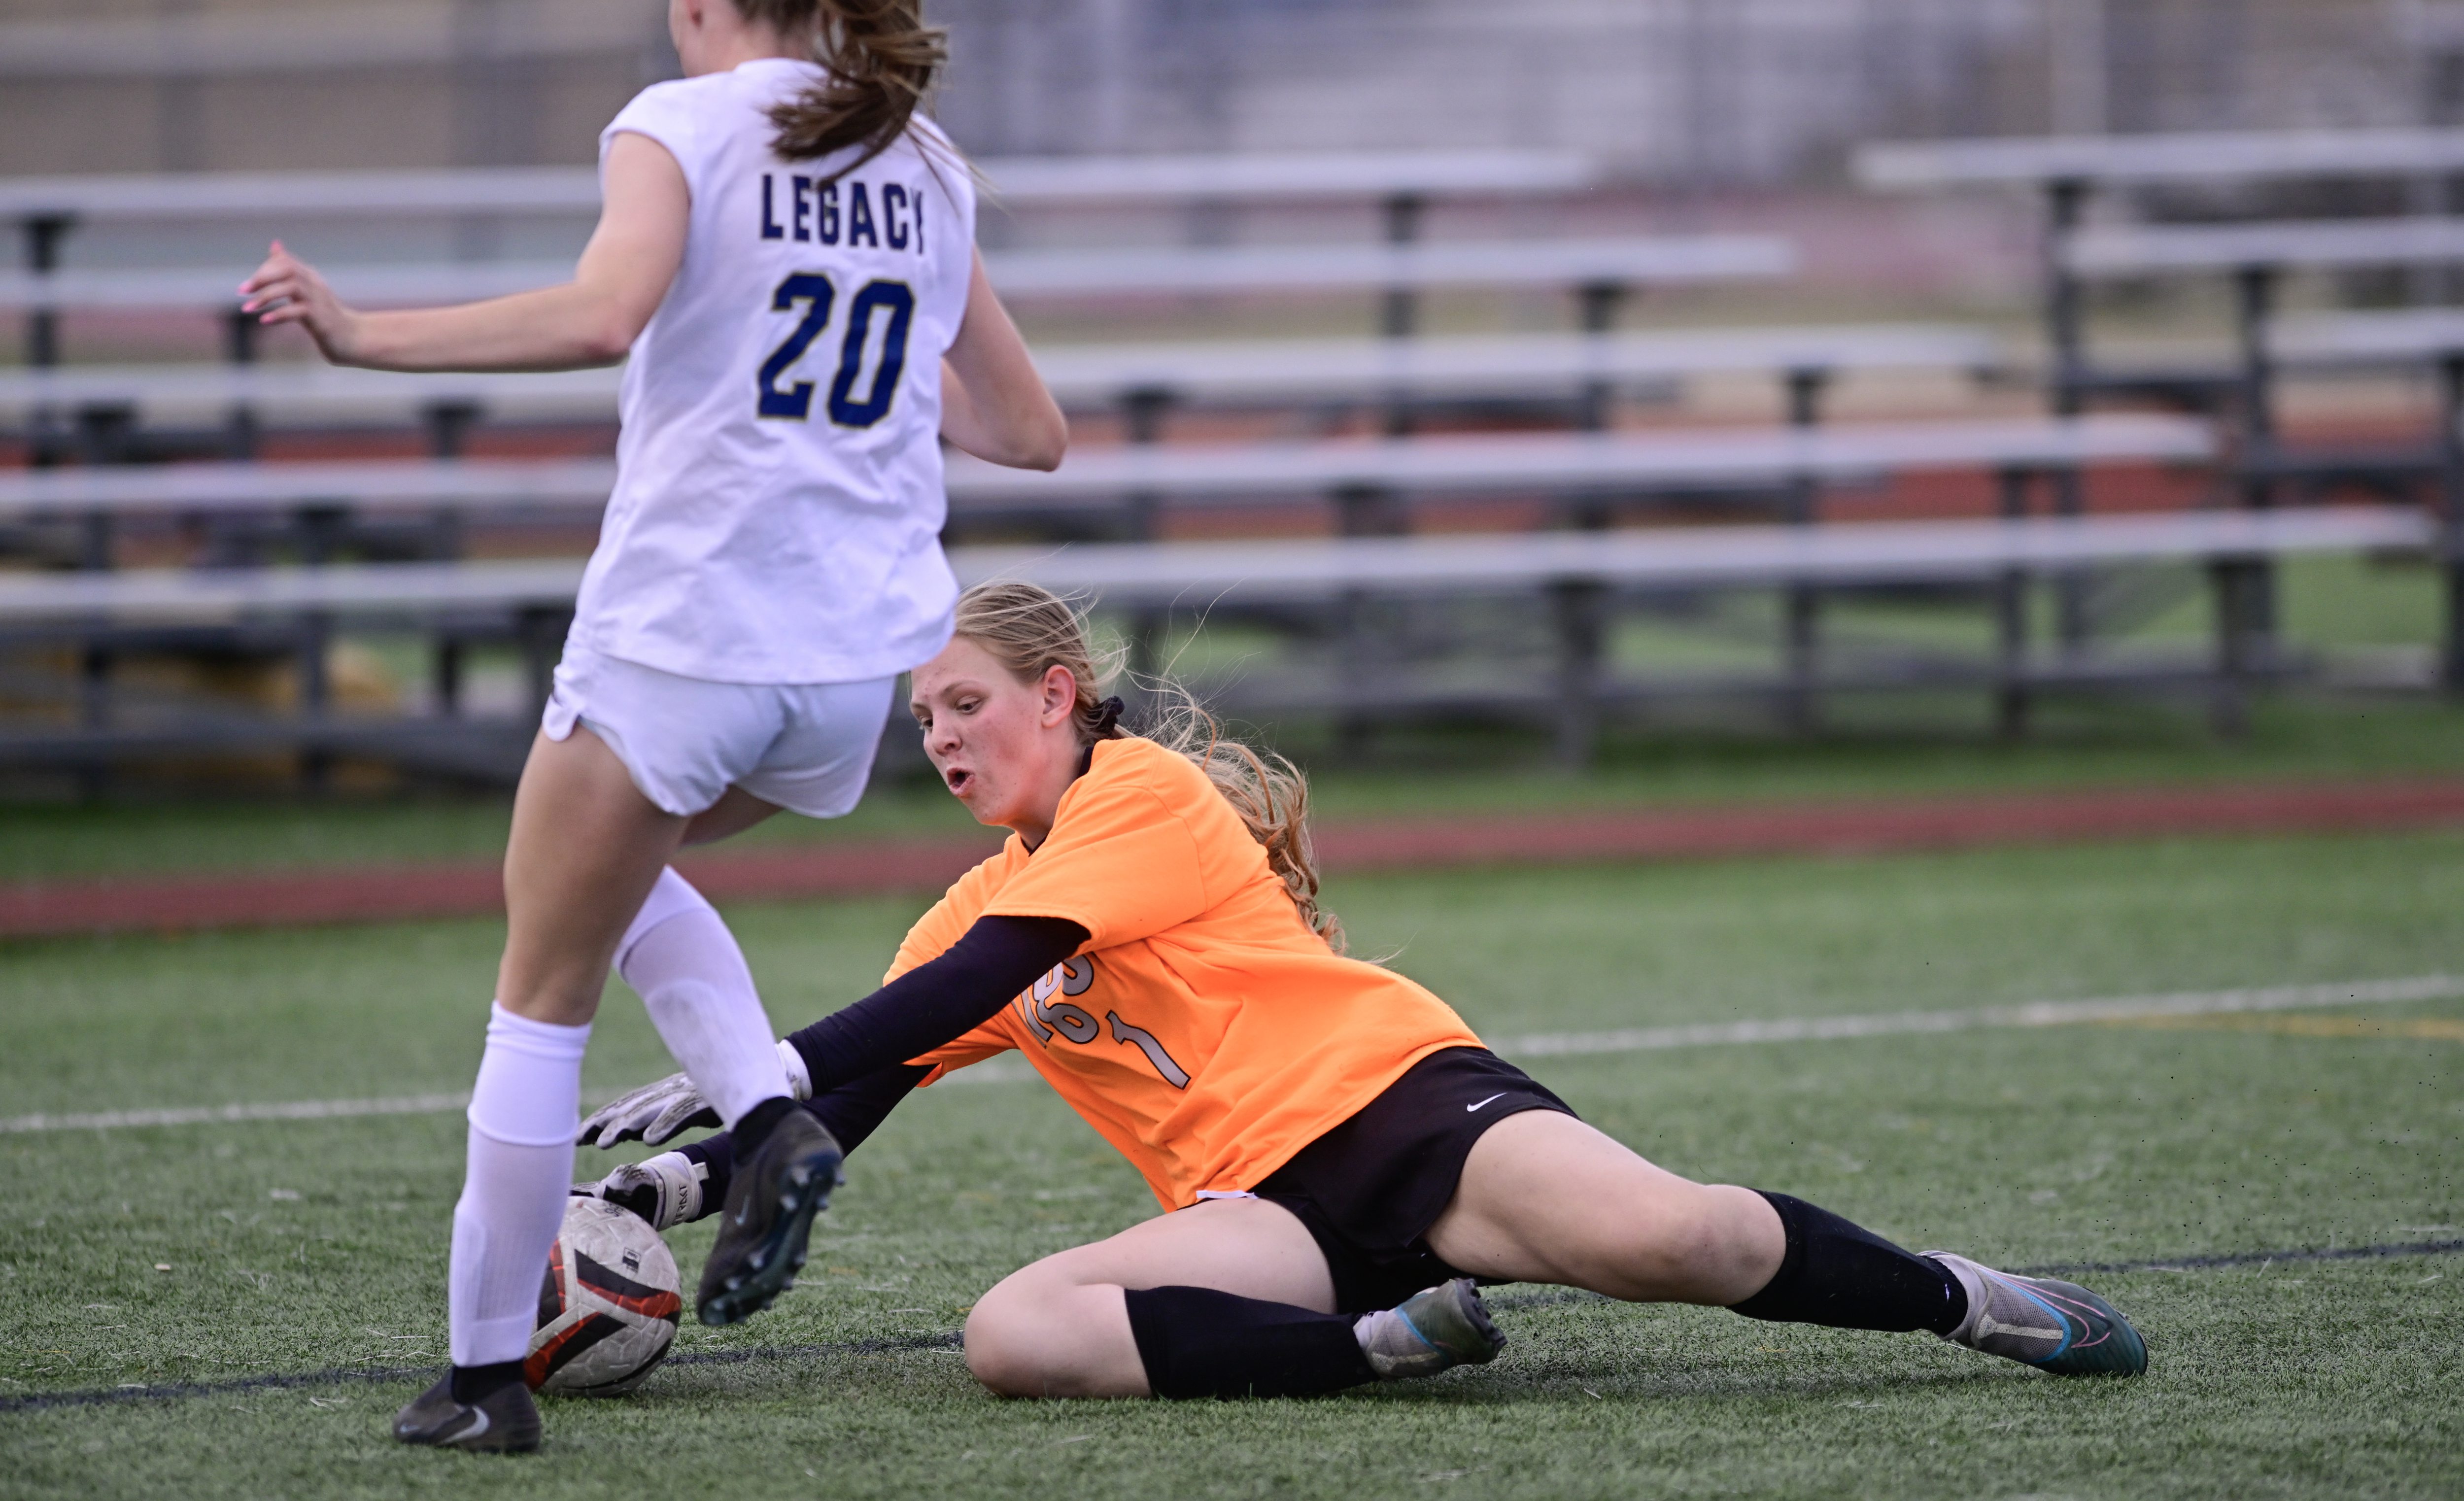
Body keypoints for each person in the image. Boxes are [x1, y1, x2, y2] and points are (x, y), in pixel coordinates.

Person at [238, 0, 1066, 1453]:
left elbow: (609, 313)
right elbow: (1032, 431)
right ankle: (764, 1122)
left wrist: (361, 335)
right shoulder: (927, 159)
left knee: (538, 990)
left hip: (690, 629)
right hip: (849, 672)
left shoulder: (678, 121)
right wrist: (861, 392)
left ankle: (486, 1384)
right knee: (623, 884)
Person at [579, 581, 2148, 1403]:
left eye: (966, 702)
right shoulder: (975, 900)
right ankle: (1389, 1347)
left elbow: (969, 991)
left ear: (1057, 698)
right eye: (922, 716)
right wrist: (680, 1171)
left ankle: (1967, 1300)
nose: (940, 736)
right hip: (1266, 1214)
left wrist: (760, 1054)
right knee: (1013, 1335)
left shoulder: (1137, 797)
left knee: (1688, 1240)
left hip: (1406, 1115)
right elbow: (856, 1094)